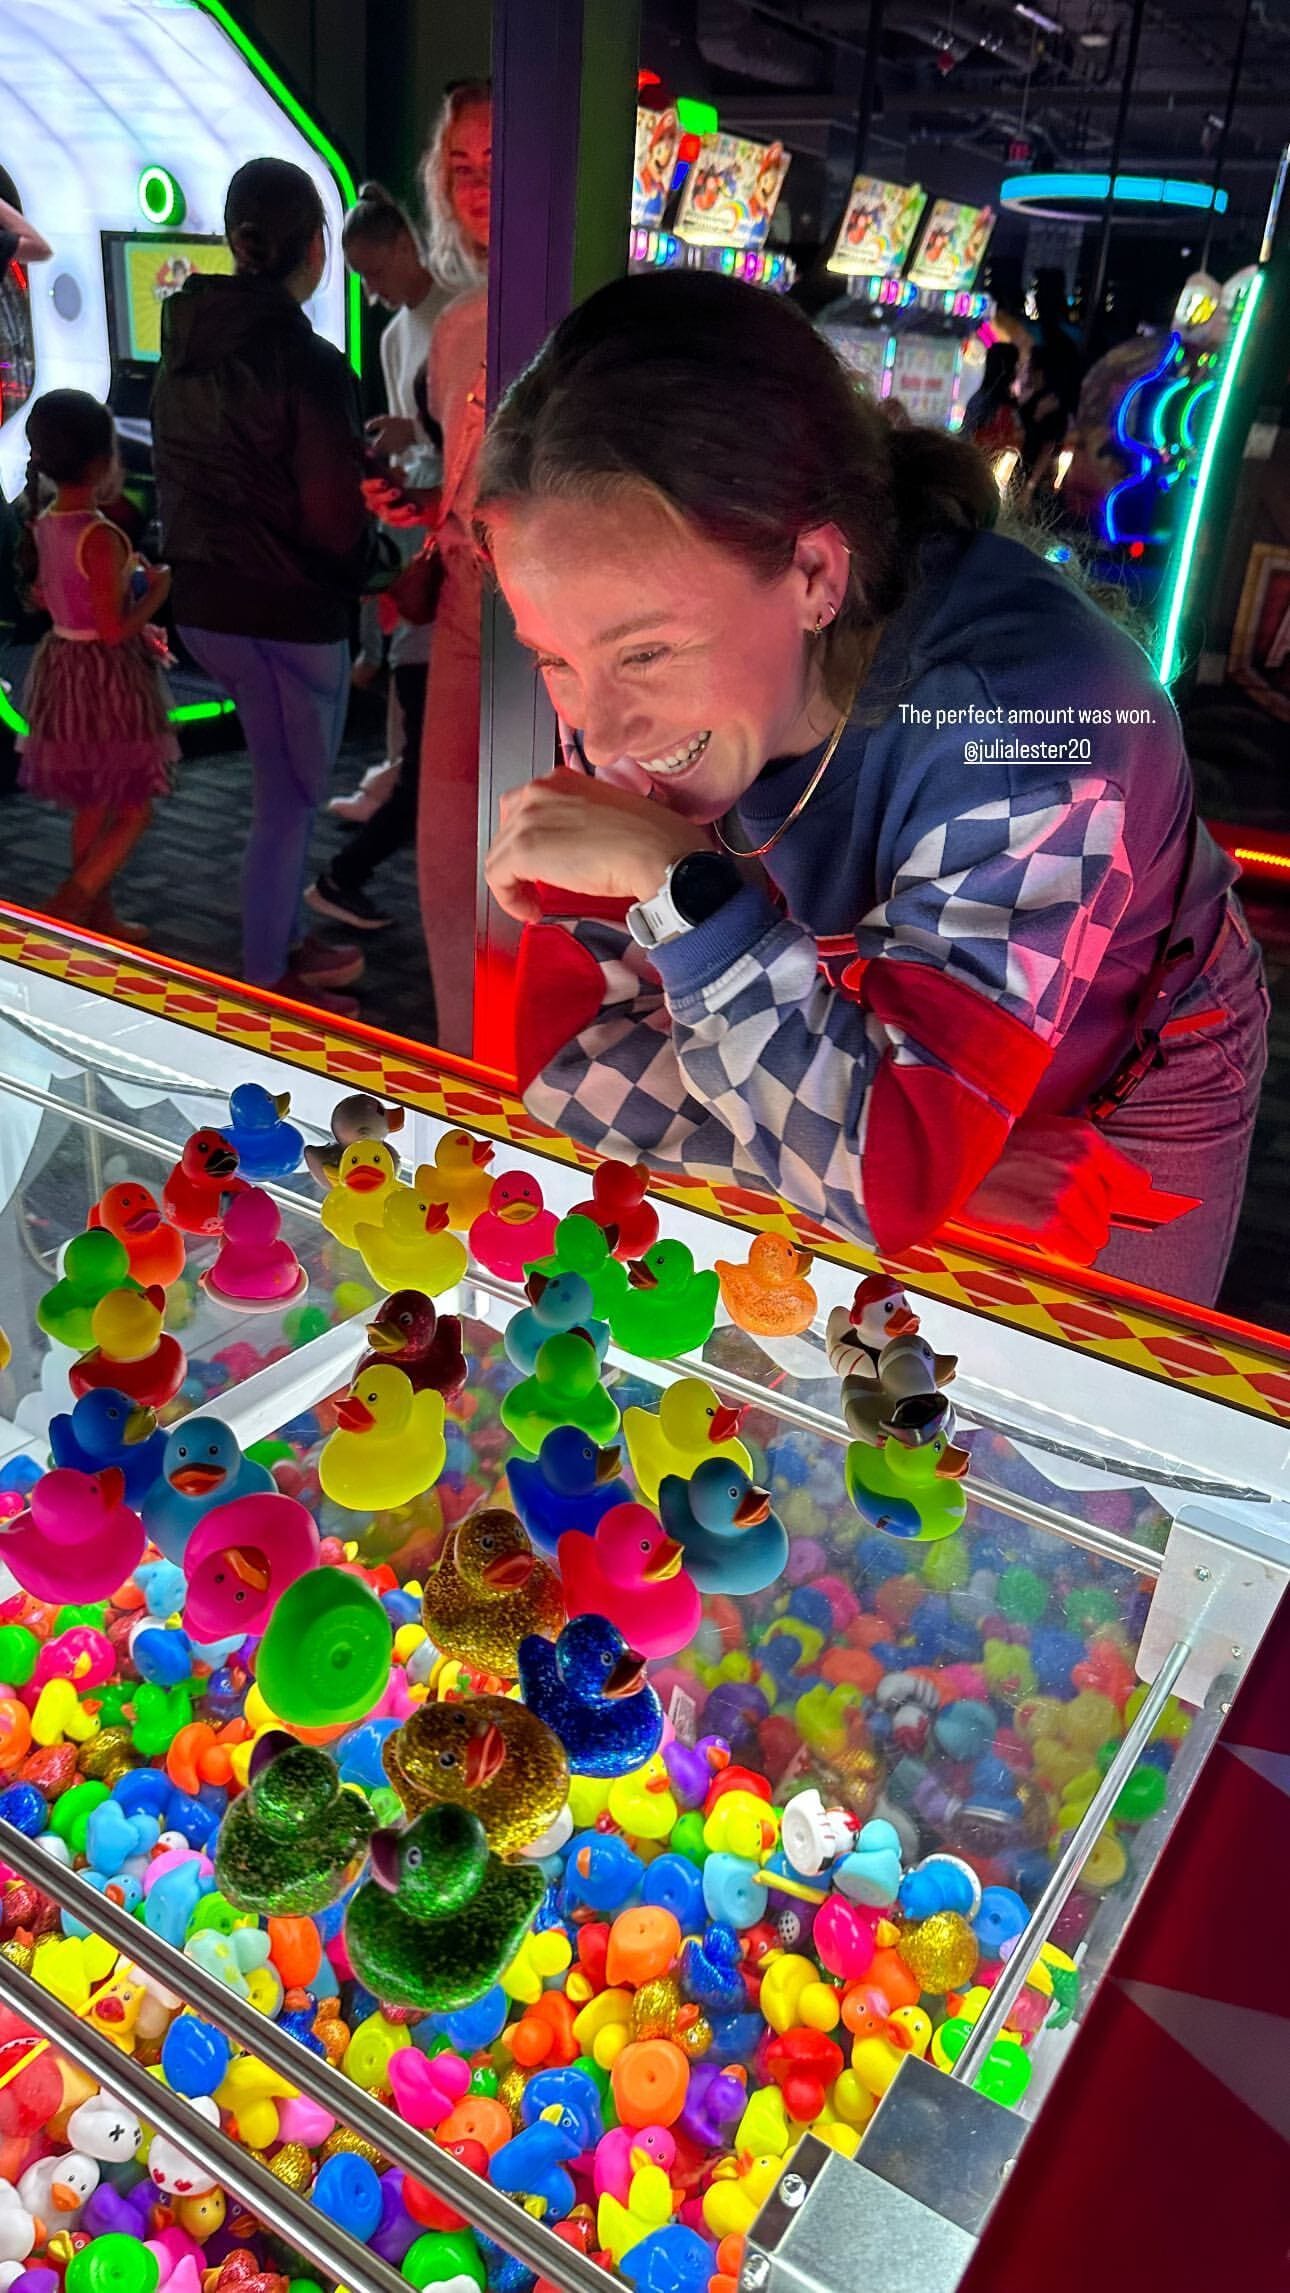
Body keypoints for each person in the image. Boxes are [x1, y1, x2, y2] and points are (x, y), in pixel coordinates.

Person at [477, 270, 1268, 1308]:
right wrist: (919, 1162)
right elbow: (570, 1068)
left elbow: (874, 1171)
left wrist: (685, 889)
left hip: (1122, 1066)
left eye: (646, 653)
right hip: (859, 1022)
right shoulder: (640, 698)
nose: (598, 731)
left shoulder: (1030, 725)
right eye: (554, 657)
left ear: (815, 574)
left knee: (1071, 1405)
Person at [151, 156, 387, 1015]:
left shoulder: (182, 348)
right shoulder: (312, 364)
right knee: (289, 802)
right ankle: (265, 974)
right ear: (316, 247)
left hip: (207, 610)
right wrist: (384, 566)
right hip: (293, 616)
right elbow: (333, 523)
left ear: (235, 238)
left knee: (276, 791)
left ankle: (282, 936)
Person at [307, 181, 452, 927]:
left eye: (373, 270)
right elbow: (427, 437)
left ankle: (402, 788)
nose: (371, 289)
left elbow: (462, 429)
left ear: (405, 244)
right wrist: (399, 452)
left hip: (452, 510)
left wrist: (414, 438)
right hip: (429, 519)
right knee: (416, 663)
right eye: (359, 276)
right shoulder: (399, 333)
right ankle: (400, 782)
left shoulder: (460, 308)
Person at [15, 390, 176, 937]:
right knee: (133, 808)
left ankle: (95, 915)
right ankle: (68, 905)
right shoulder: (101, 534)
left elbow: (51, 596)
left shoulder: (46, 521)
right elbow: (112, 632)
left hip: (63, 671)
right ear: (103, 460)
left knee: (93, 803)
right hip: (105, 680)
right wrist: (159, 592)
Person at [410, 81, 491, 1050]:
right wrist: (424, 505)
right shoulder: (457, 323)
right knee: (446, 857)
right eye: (459, 167)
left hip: (562, 622)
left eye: (495, 164)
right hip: (469, 607)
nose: (475, 187)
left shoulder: (602, 312)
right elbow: (460, 479)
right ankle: (459, 1067)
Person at [960, 341, 1023, 459]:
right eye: (1016, 365)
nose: (1017, 370)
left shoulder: (981, 397)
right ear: (1006, 368)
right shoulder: (989, 401)